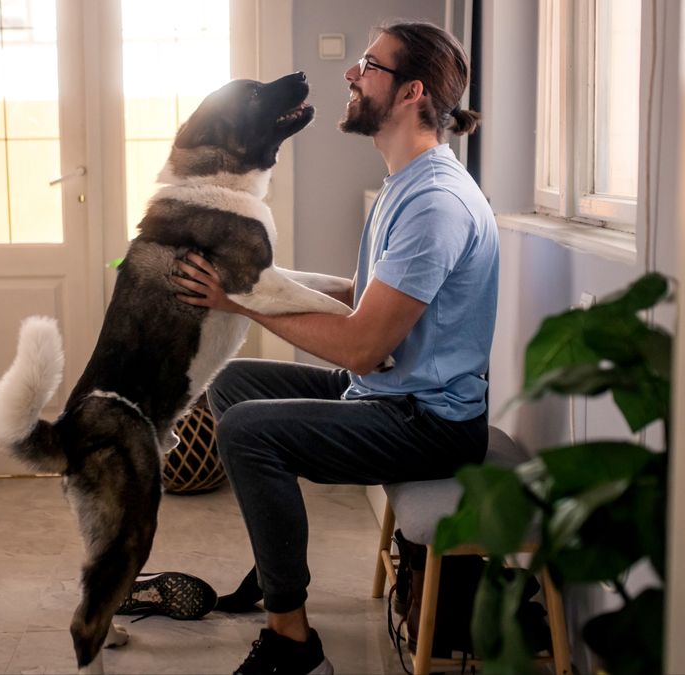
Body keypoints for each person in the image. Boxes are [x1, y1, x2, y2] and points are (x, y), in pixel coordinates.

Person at [170, 21, 497, 675]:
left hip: (428, 422)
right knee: (234, 384)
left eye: (367, 66)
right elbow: (361, 293)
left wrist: (236, 300)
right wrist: (258, 280)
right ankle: (276, 568)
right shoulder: (406, 181)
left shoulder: (435, 202)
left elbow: (360, 343)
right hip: (391, 394)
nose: (351, 75)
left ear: (411, 93)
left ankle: (293, 641)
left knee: (247, 431)